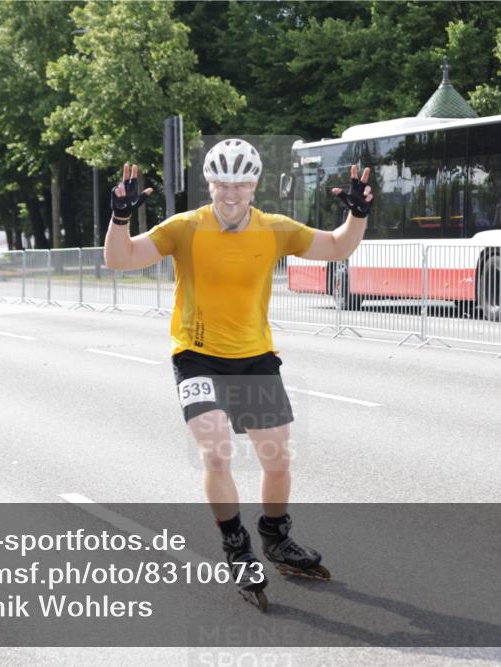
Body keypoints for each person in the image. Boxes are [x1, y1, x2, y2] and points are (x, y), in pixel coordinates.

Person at [103, 139, 372, 610]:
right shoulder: (184, 228)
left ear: (254, 184)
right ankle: (237, 546)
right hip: (198, 355)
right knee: (216, 450)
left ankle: (275, 535)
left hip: (254, 357)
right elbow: (120, 259)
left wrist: (358, 215)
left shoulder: (275, 229)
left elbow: (339, 246)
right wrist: (120, 219)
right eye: (221, 184)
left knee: (277, 458)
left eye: (241, 183)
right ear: (208, 185)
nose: (230, 193)